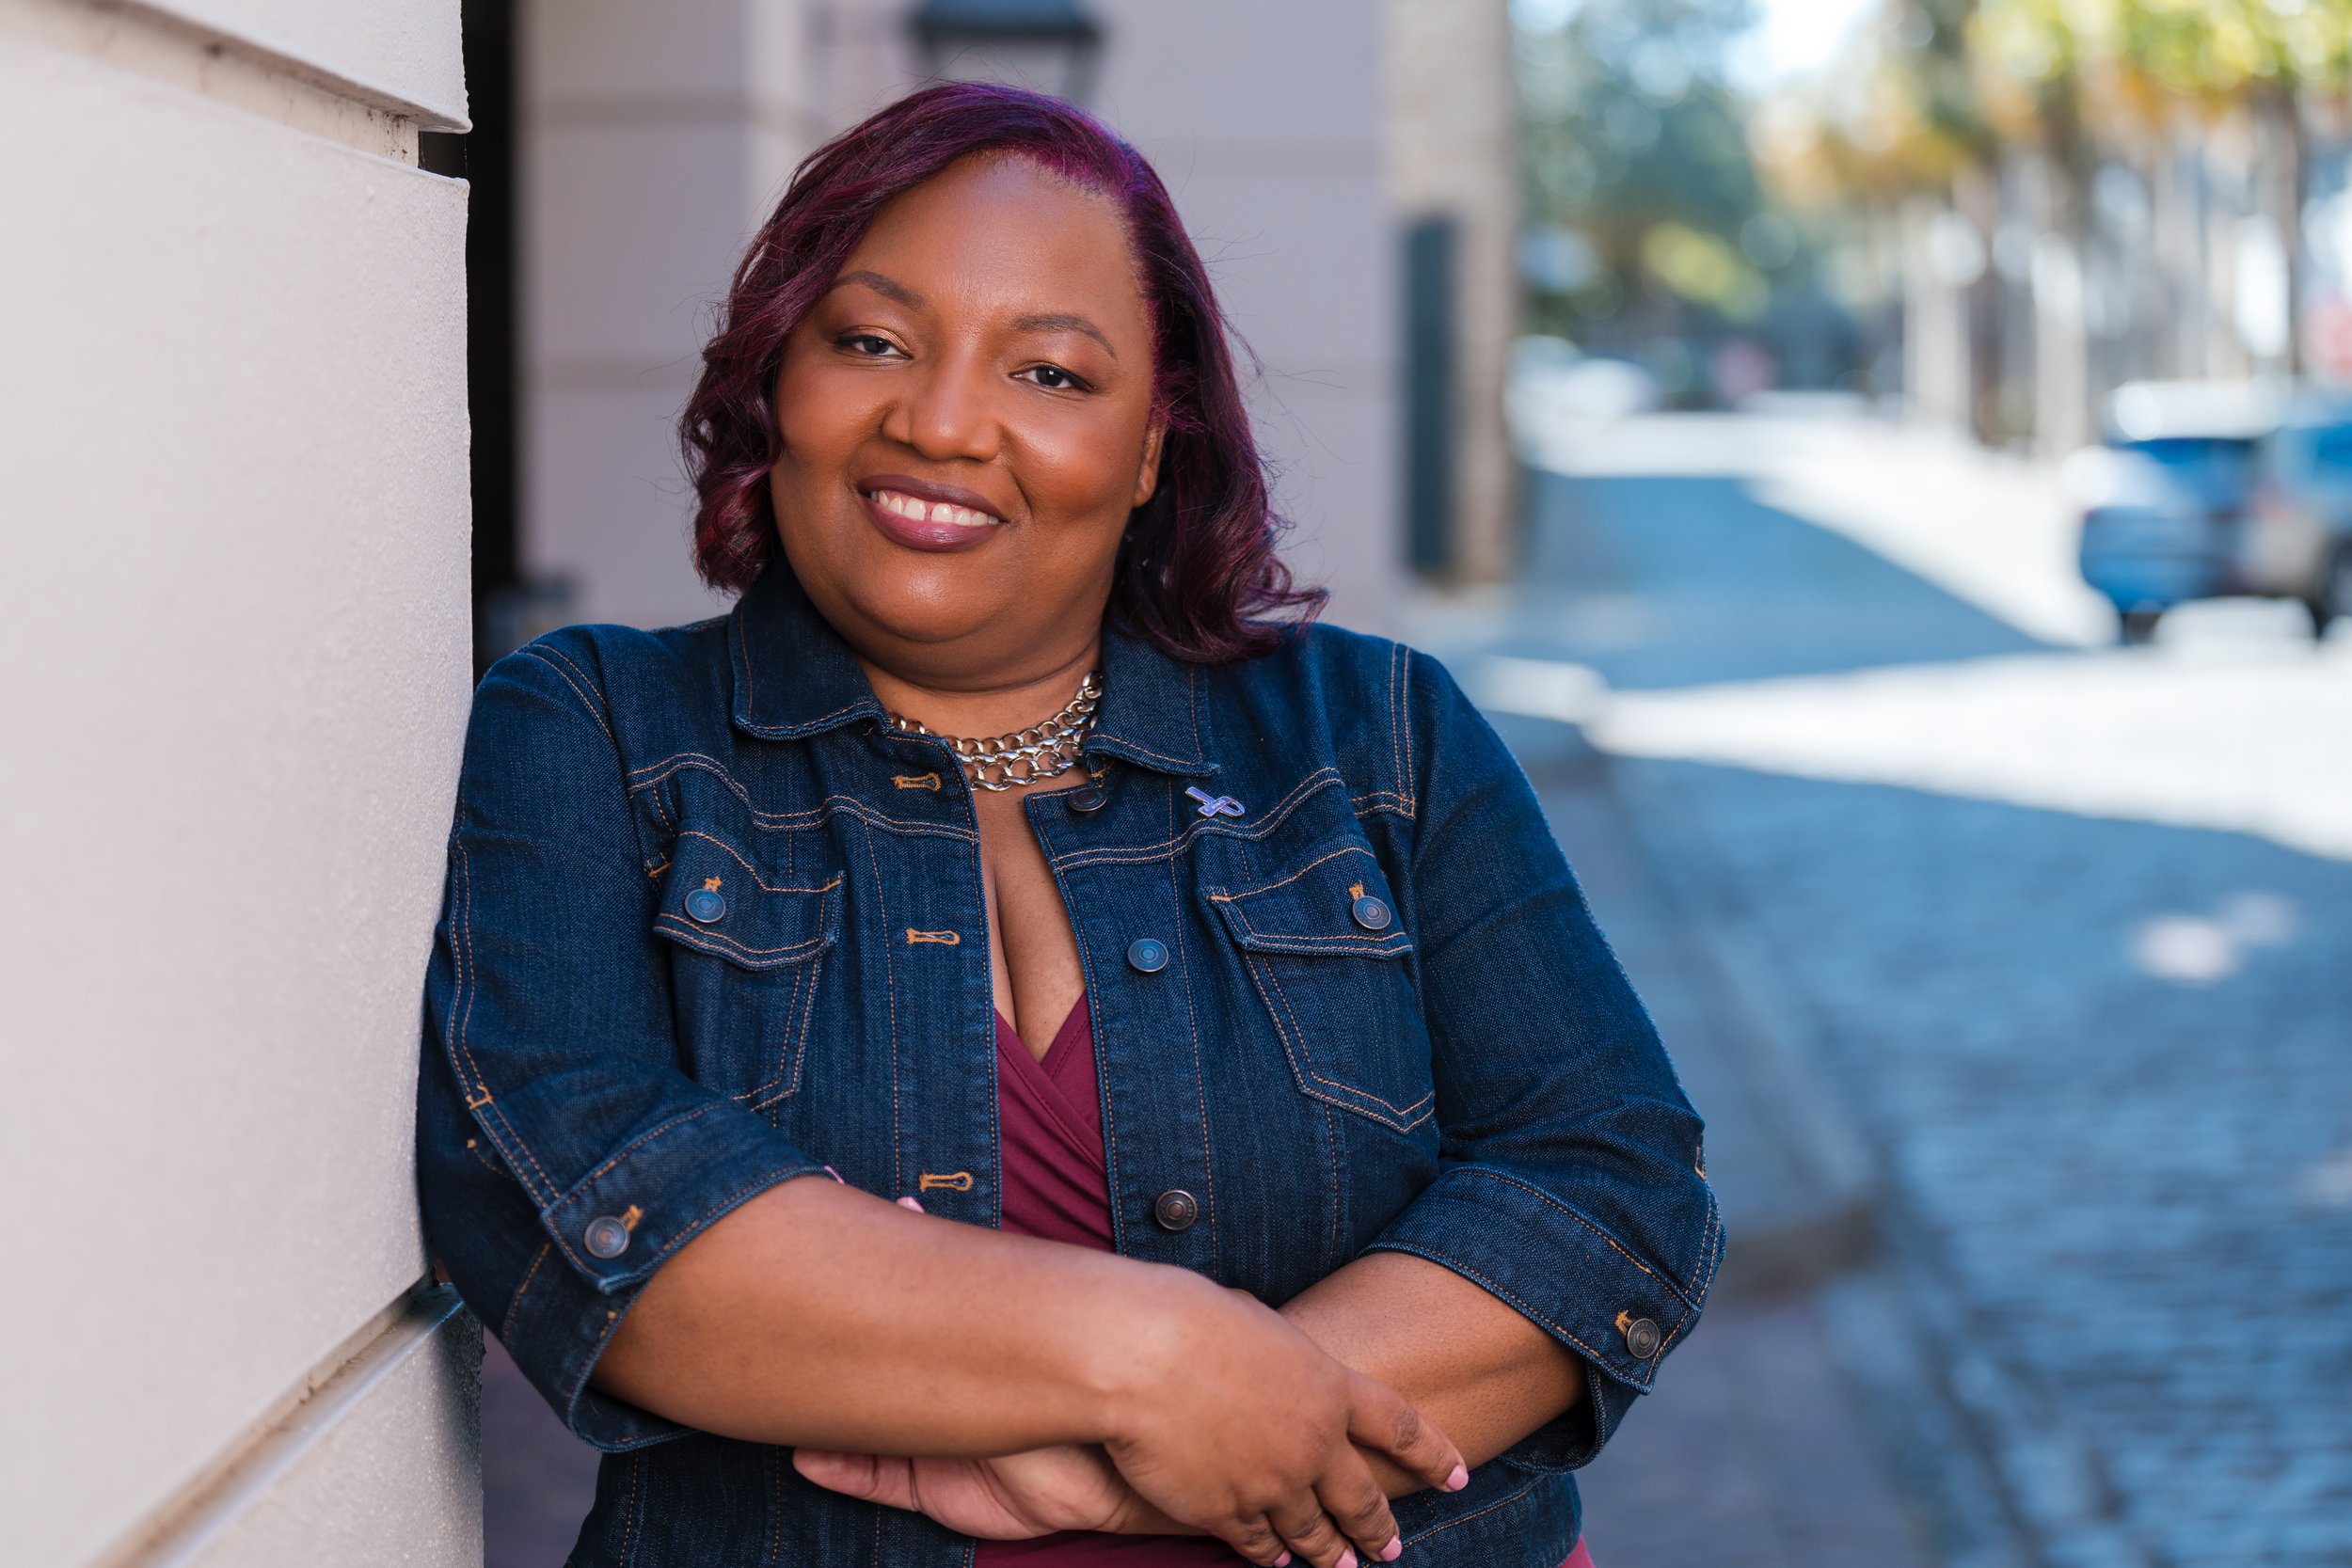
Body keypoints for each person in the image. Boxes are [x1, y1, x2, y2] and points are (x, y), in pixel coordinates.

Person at [417, 82, 1716, 1568]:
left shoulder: (1378, 741)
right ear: (779, 377)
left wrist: (1138, 1467)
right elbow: (606, 1226)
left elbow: (1609, 1183)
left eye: (1048, 373)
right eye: (872, 341)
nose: (944, 420)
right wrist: (1157, 1363)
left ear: (1154, 449)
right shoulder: (598, 729)